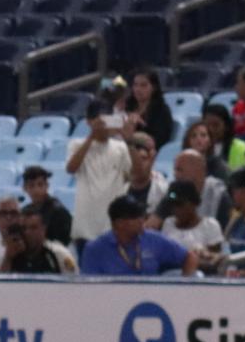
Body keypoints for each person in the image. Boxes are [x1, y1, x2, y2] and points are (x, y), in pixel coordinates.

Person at [66, 101, 131, 246]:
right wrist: (91, 137)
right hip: (86, 227)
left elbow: (130, 176)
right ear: (89, 122)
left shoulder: (121, 147)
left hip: (114, 225)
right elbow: (71, 168)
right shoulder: (76, 144)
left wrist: (127, 137)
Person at [80, 196, 197, 276]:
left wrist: (185, 287)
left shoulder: (153, 240)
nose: (142, 220)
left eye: (142, 215)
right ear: (119, 223)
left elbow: (190, 257)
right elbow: (88, 287)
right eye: (136, 217)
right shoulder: (95, 250)